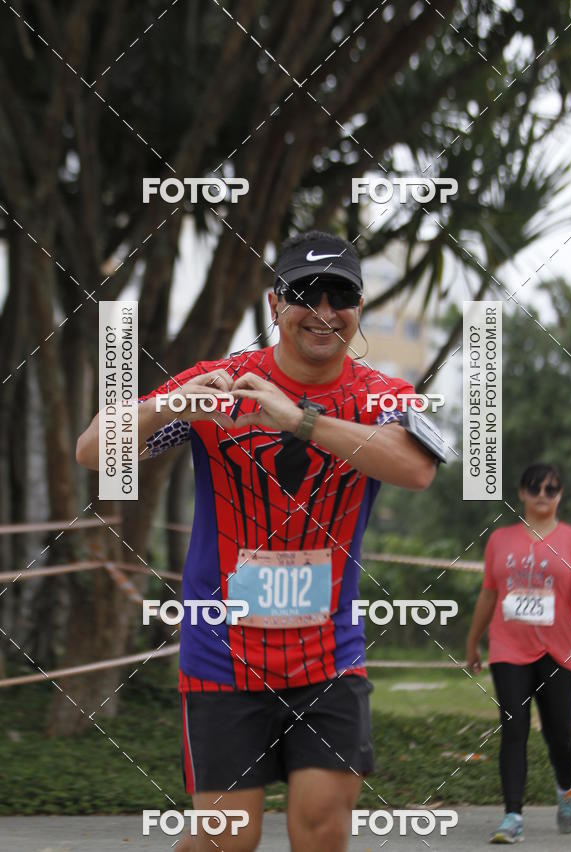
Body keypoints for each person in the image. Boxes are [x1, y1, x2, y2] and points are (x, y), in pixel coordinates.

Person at [76, 230, 443, 852]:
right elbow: (93, 450)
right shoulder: (222, 381)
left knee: (322, 829)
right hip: (222, 654)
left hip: (329, 656)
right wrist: (178, 405)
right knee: (228, 840)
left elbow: (416, 469)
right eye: (306, 293)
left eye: (341, 295)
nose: (323, 311)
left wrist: (298, 419)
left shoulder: (382, 396)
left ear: (358, 310)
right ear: (276, 303)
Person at [466, 463, 571, 844]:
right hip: (508, 648)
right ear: (522, 493)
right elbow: (489, 593)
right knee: (514, 730)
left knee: (560, 738)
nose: (544, 494)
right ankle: (512, 817)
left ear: (560, 495)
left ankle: (566, 788)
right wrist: (473, 642)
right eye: (536, 487)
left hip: (557, 650)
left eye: (552, 488)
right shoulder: (500, 540)